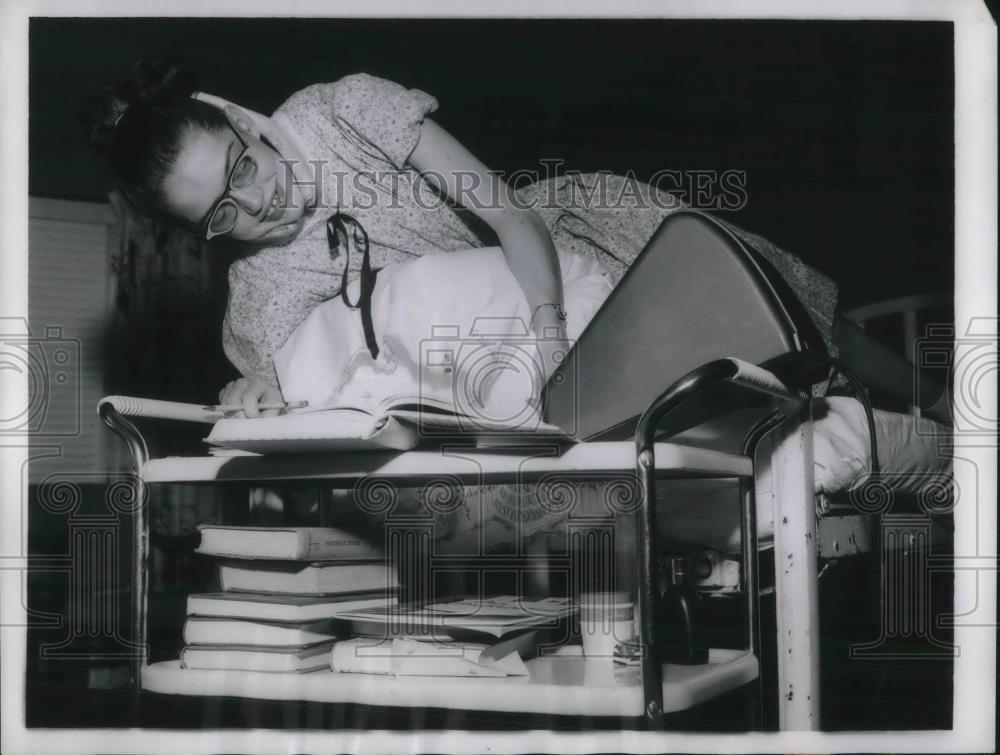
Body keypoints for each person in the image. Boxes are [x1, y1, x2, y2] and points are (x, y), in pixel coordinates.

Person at [82, 60, 868, 418]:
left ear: (242, 121)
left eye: (242, 164)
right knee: (747, 391)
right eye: (222, 212)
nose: (260, 200)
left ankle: (950, 404)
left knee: (795, 311)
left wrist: (553, 336)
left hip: (565, 241)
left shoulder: (344, 109)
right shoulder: (258, 300)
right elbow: (322, 393)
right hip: (503, 357)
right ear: (201, 234)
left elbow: (510, 218)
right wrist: (257, 396)